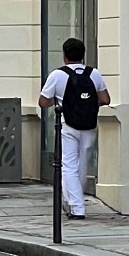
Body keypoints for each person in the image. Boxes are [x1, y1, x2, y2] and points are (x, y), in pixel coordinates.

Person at [39, 36, 110, 220]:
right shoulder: (94, 74)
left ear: (64, 55)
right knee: (82, 165)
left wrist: (61, 101)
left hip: (67, 125)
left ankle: (77, 207)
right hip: (89, 125)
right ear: (82, 55)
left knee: (69, 165)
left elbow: (43, 102)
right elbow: (105, 99)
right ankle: (71, 201)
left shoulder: (57, 75)